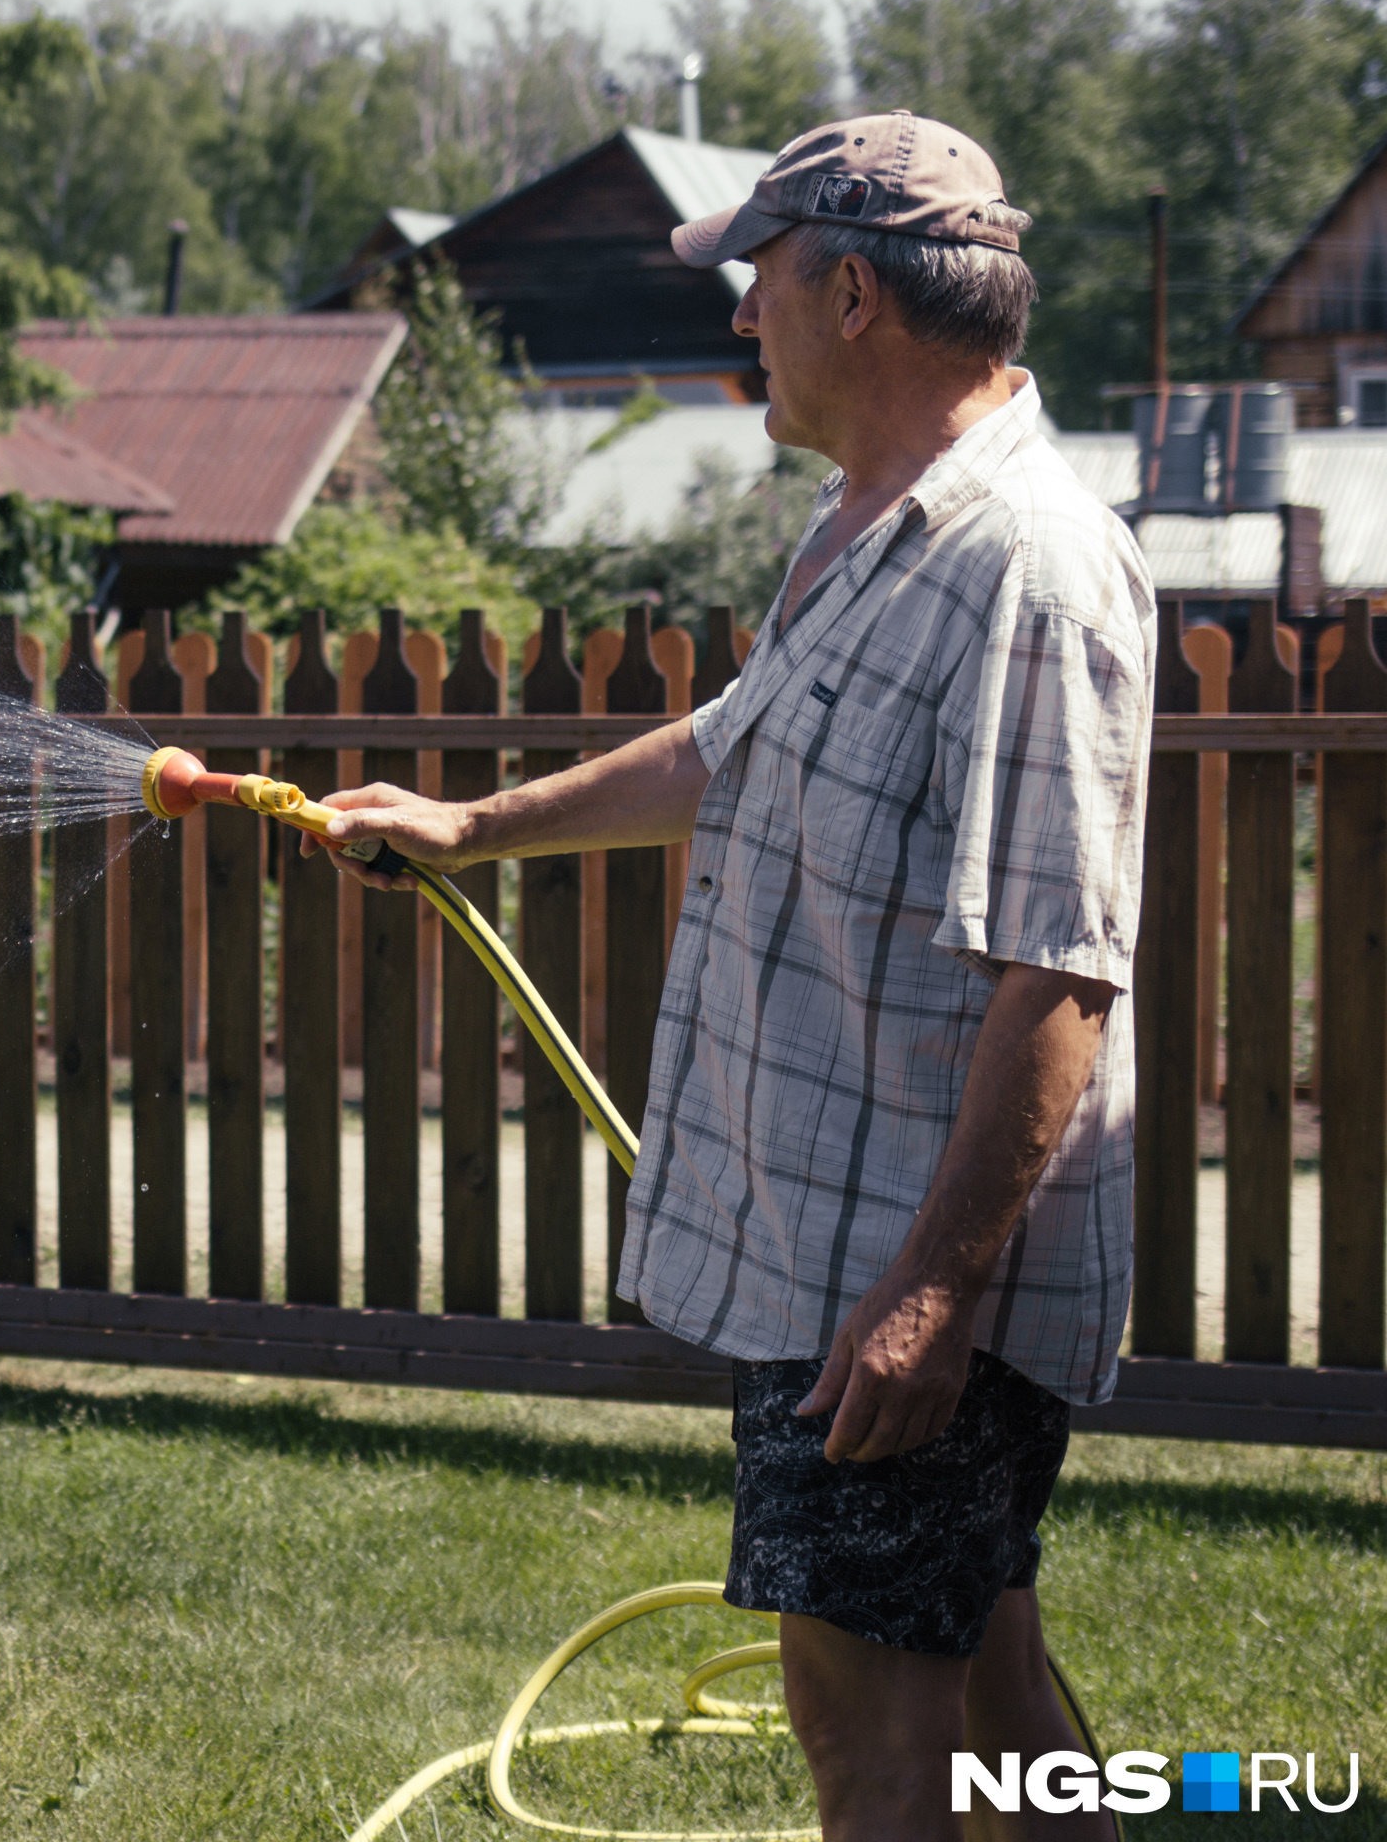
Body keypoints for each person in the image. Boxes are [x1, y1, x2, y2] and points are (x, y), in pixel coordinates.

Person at [315, 112, 1149, 1841]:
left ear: (854, 294)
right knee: (991, 1692)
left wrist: (930, 1299)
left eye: (758, 280)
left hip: (898, 1286)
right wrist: (478, 826)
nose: (739, 320)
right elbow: (727, 748)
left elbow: (1059, 976)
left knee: (870, 1737)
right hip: (841, 1256)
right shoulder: (870, 523)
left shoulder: (1031, 570)